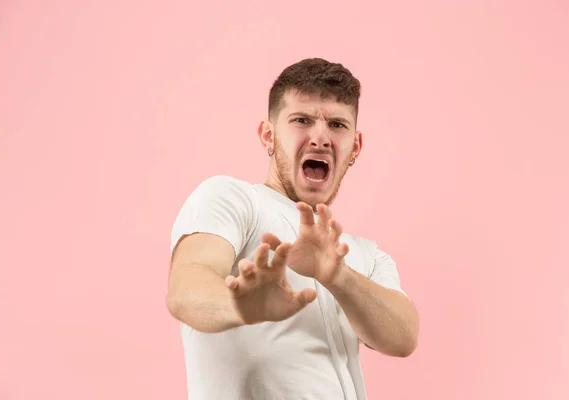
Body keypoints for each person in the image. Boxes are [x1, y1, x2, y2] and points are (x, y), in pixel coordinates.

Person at [166, 58, 420, 400]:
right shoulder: (232, 198)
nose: (320, 137)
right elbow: (186, 287)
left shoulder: (365, 255)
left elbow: (403, 337)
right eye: (302, 120)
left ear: (355, 147)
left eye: (337, 124)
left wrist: (339, 277)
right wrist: (242, 307)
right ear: (268, 135)